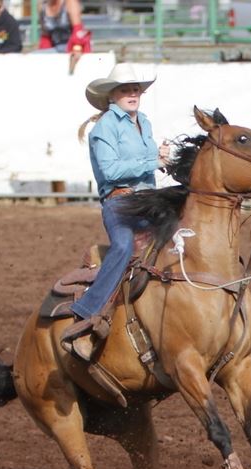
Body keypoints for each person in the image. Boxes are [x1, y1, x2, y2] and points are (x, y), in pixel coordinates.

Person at [61, 64, 171, 361]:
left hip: (148, 199)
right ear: (112, 95)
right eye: (126, 89)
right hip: (119, 201)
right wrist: (153, 161)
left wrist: (162, 158)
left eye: (136, 89)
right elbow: (110, 171)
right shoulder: (105, 127)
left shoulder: (143, 122)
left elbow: (148, 161)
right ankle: (87, 315)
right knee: (122, 246)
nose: (132, 93)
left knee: (184, 232)